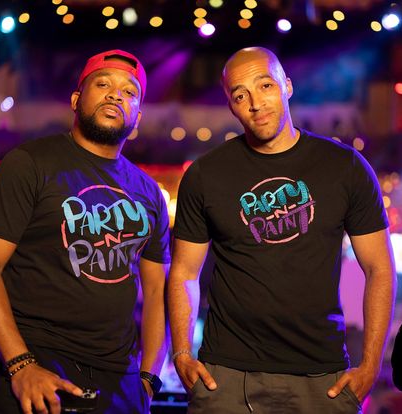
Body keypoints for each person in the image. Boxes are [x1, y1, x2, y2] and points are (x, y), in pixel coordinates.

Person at [168, 46, 396, 413]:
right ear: (231, 105)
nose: (255, 103)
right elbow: (183, 272)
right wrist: (181, 353)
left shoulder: (345, 167)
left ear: (286, 86)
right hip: (226, 376)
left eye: (265, 86)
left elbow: (379, 268)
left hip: (321, 376)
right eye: (240, 95)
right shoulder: (205, 175)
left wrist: (370, 365)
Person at [0, 49, 171, 414]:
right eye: (102, 84)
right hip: (38, 370)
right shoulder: (29, 164)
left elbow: (156, 292)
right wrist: (20, 365)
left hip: (120, 383)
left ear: (137, 117)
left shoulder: (149, 192)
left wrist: (149, 379)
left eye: (129, 91)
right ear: (75, 100)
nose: (115, 95)